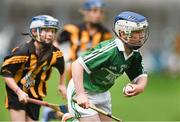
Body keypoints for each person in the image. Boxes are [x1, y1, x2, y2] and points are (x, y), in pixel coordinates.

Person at [67, 11, 149, 121]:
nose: (141, 36)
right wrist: (80, 94)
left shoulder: (135, 54)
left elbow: (140, 75)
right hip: (84, 90)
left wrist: (140, 86)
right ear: (122, 33)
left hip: (103, 93)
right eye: (136, 32)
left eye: (142, 32)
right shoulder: (109, 51)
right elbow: (77, 64)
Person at [0, 15, 67, 121]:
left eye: (53, 31)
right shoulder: (21, 53)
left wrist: (62, 85)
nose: (50, 34)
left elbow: (62, 67)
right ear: (34, 31)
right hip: (17, 94)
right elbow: (6, 73)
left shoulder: (55, 53)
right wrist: (18, 91)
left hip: (36, 96)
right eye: (46, 30)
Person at [58, 0, 112, 80]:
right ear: (85, 12)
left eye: (101, 12)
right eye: (94, 11)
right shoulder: (72, 29)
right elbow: (56, 43)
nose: (98, 15)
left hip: (95, 76)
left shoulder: (106, 34)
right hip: (73, 75)